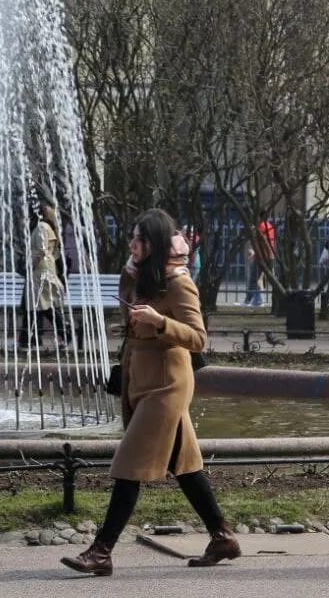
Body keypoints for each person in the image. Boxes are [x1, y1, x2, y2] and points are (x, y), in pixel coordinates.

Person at [62, 209, 240, 576]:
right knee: (185, 465)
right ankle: (222, 536)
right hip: (141, 378)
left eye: (139, 239)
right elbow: (129, 318)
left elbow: (198, 337)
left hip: (168, 383)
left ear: (154, 244)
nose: (132, 244)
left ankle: (102, 551)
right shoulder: (141, 275)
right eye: (132, 237)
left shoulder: (178, 283)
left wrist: (160, 322)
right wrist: (130, 278)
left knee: (128, 464)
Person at [19, 204, 68, 348]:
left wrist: (30, 266)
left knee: (41, 307)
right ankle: (29, 339)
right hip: (43, 271)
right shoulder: (48, 228)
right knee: (37, 306)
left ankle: (65, 333)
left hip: (40, 272)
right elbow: (54, 253)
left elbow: (41, 250)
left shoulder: (41, 227)